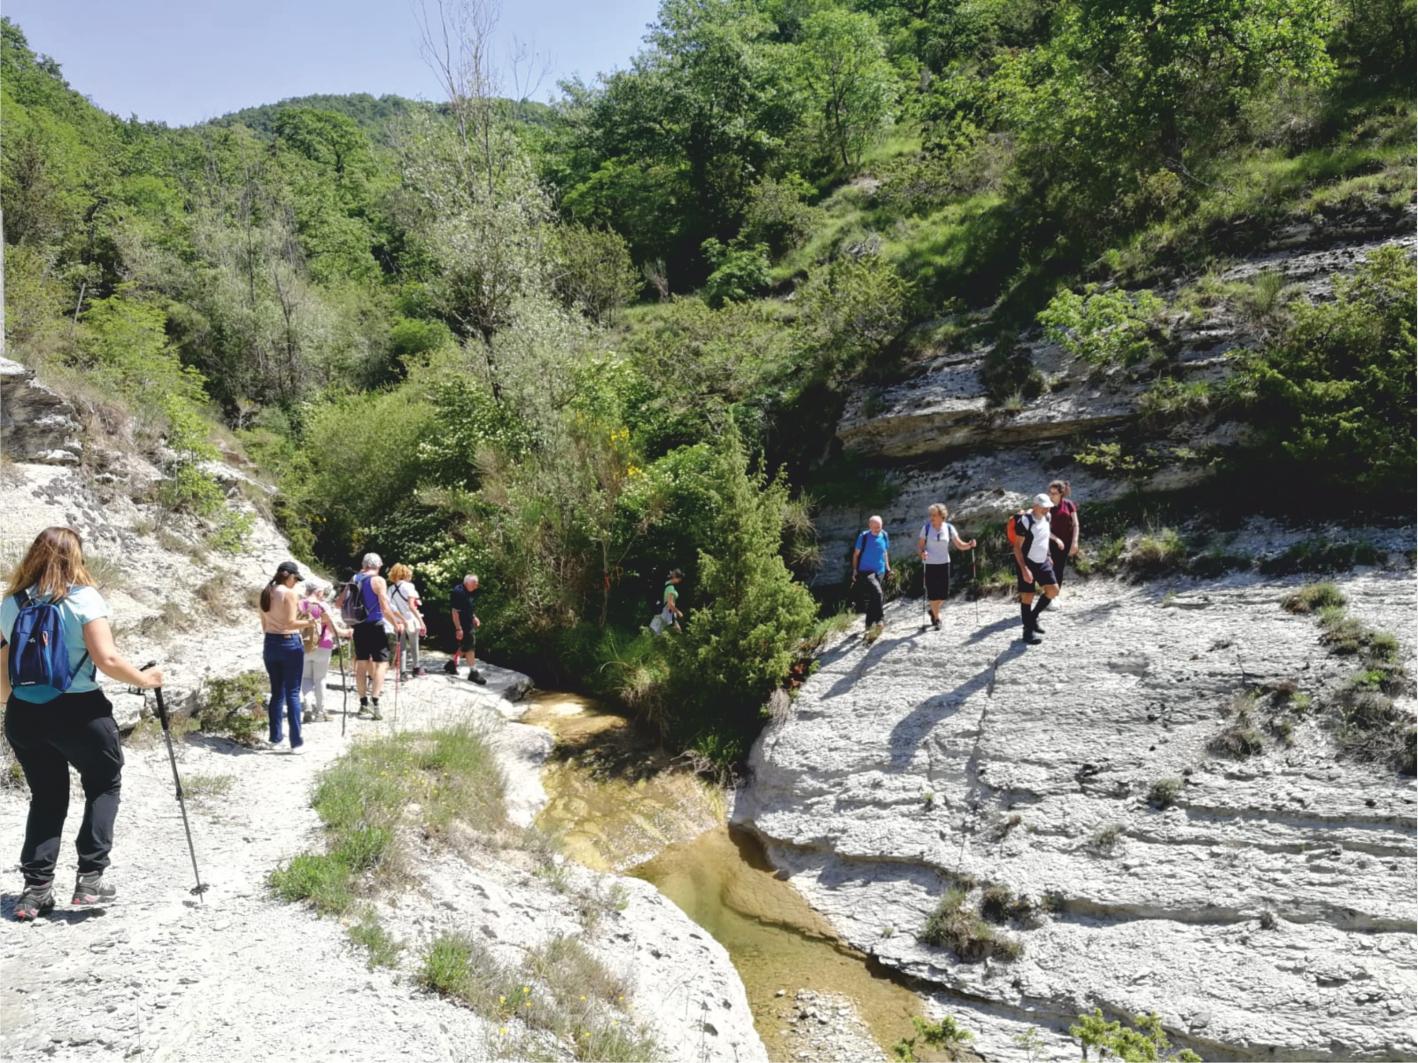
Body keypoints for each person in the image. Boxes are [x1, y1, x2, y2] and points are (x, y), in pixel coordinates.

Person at [1, 527, 163, 920]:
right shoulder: (84, 598)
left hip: (24, 712)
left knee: (47, 795)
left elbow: (4, 666)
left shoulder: (11, 603)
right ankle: (89, 881)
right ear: (76, 557)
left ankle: (35, 890)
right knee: (104, 783)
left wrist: (16, 707)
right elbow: (107, 660)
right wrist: (147, 679)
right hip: (80, 711)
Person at [342, 554, 404, 719]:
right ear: (378, 565)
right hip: (375, 626)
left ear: (364, 564)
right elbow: (384, 606)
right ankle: (375, 703)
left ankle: (363, 704)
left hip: (358, 626)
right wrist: (396, 623)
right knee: (382, 663)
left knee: (361, 663)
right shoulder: (378, 580)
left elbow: (340, 601)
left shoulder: (354, 578)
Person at [259, 560, 311, 752]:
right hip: (289, 643)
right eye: (295, 579)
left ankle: (275, 738)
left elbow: (264, 625)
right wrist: (310, 623)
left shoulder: (267, 592)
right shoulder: (288, 594)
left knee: (277, 693)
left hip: (270, 643)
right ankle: (296, 742)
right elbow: (290, 622)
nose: (296, 583)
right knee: (292, 693)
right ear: (288, 576)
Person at [1011, 493, 1064, 645]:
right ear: (1035, 506)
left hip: (1043, 561)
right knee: (1027, 596)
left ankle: (1032, 619)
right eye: (1044, 507)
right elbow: (1017, 548)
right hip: (1027, 562)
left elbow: (1044, 535)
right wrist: (1024, 569)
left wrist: (1050, 552)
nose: (1047, 509)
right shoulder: (1025, 522)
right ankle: (1027, 632)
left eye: (1048, 506)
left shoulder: (1047, 517)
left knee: (1053, 590)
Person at [916, 504, 977, 631]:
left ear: (941, 516)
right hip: (930, 564)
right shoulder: (926, 528)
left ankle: (933, 611)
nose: (931, 517)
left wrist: (970, 545)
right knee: (933, 593)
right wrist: (922, 553)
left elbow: (960, 545)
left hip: (944, 563)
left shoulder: (949, 528)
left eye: (934, 515)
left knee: (943, 594)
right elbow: (920, 546)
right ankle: (937, 618)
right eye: (930, 515)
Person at [298, 582, 350, 724]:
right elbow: (333, 629)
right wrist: (347, 633)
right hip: (323, 645)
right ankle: (320, 712)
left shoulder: (300, 604)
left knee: (305, 678)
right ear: (319, 591)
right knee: (320, 679)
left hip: (304, 645)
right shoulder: (323, 606)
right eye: (323, 592)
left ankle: (307, 706)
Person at [851, 515, 892, 639]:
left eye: (879, 527)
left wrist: (888, 567)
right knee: (878, 593)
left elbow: (884, 552)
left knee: (874, 597)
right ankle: (880, 620)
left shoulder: (884, 535)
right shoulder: (863, 537)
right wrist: (854, 570)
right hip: (865, 572)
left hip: (880, 571)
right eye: (875, 528)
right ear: (870, 526)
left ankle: (868, 625)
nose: (877, 530)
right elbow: (856, 555)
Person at [387, 564, 426, 679]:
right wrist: (421, 621)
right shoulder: (409, 586)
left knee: (402, 646)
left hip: (398, 621)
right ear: (406, 574)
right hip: (410, 619)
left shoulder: (390, 589)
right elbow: (411, 606)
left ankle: (402, 672)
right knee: (414, 644)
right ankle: (416, 668)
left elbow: (389, 607)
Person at [445, 574, 486, 684]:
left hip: (467, 623)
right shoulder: (458, 592)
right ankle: (473, 673)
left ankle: (452, 664)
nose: (476, 586)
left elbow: (468, 607)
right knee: (470, 646)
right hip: (462, 624)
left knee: (465, 645)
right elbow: (455, 612)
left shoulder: (468, 591)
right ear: (468, 582)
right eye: (475, 583)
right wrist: (458, 629)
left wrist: (474, 617)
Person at [1046, 480, 1080, 586]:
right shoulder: (1046, 507)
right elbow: (1043, 528)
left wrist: (1075, 542)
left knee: (1059, 569)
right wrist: (1056, 539)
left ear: (1061, 493)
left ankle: (1055, 596)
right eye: (1050, 493)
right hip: (1050, 542)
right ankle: (1049, 595)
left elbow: (1075, 524)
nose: (1051, 495)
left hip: (1066, 541)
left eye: (1054, 493)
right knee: (1050, 569)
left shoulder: (1069, 504)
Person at [649, 569, 685, 635]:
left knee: (656, 635)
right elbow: (670, 604)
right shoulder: (670, 588)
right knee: (678, 634)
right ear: (675, 578)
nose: (679, 581)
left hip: (662, 613)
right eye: (679, 579)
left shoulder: (666, 584)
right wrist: (678, 612)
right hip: (667, 614)